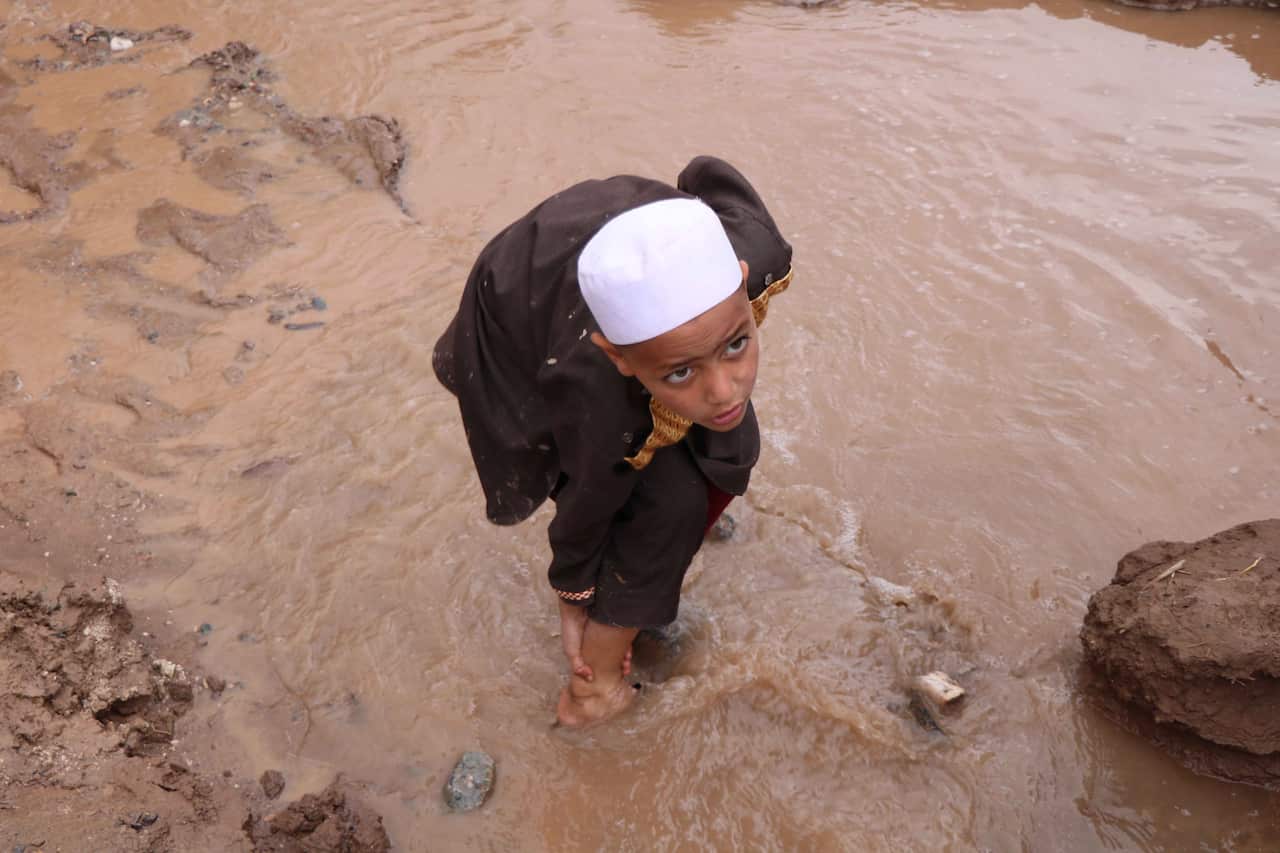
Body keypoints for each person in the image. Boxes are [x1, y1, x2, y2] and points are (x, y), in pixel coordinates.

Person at [433, 156, 793, 726]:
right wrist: (575, 596)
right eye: (681, 372)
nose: (726, 390)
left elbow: (710, 175)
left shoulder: (757, 256)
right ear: (617, 357)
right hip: (516, 308)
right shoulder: (597, 399)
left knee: (730, 444)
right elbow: (584, 507)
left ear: (743, 281)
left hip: (605, 234)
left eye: (737, 346)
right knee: (666, 503)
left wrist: (683, 377)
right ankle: (592, 691)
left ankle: (638, 599)